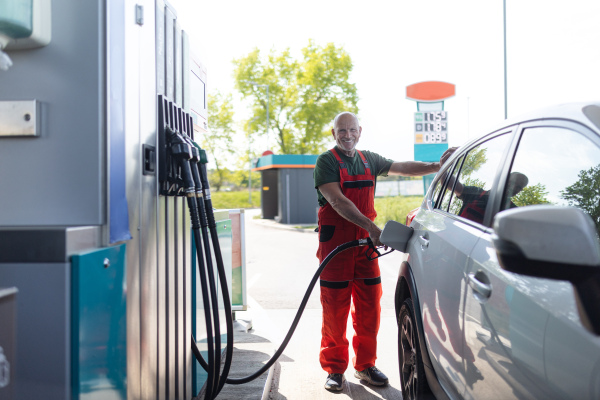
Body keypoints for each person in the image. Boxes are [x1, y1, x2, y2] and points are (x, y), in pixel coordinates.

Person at [314, 111, 456, 392]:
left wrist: (435, 165)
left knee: (369, 309)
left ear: (360, 131)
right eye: (341, 130)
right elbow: (337, 201)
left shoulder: (369, 159)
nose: (347, 135)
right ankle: (335, 369)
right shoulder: (326, 162)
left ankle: (365, 366)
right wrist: (371, 227)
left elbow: (402, 167)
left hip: (366, 249)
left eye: (352, 129)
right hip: (337, 249)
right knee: (335, 310)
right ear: (334, 134)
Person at [451, 171, 529, 224]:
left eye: (518, 187)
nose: (514, 187)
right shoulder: (475, 193)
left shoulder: (514, 212)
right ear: (504, 179)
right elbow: (452, 184)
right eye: (513, 182)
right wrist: (444, 168)